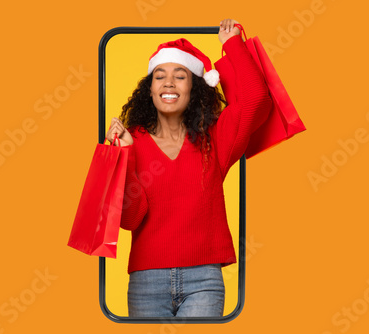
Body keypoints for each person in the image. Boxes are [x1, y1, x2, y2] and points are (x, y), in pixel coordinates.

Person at [105, 18, 272, 317]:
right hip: (146, 280)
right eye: (160, 76)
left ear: (195, 86)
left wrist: (232, 45)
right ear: (150, 88)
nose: (168, 82)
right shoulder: (134, 140)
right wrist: (125, 155)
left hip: (203, 280)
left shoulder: (215, 137)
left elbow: (256, 100)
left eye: (180, 75)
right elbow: (130, 220)